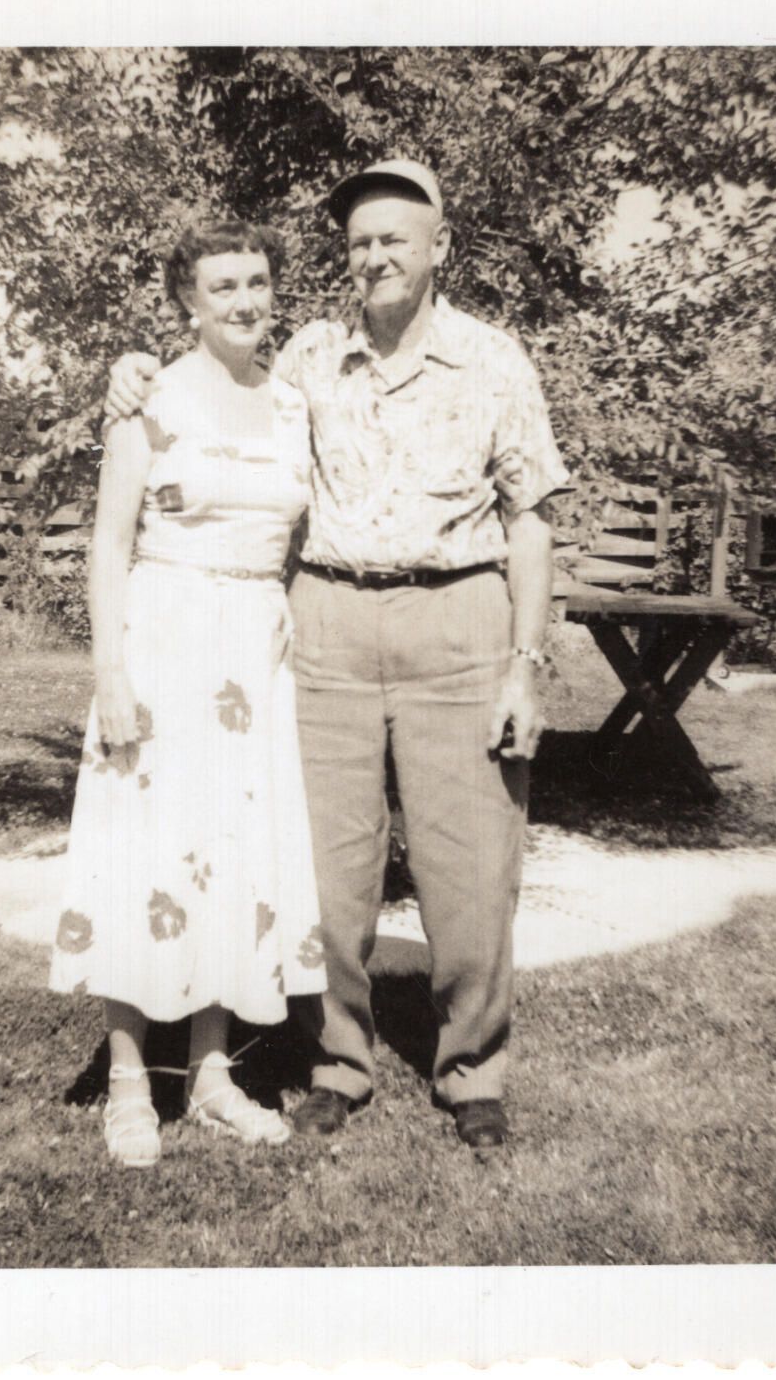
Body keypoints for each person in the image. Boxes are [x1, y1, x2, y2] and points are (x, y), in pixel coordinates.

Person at [105, 161, 570, 1151]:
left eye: (395, 236)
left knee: (471, 861)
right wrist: (131, 369)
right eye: (360, 241)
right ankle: (337, 1062)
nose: (375, 255)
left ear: (441, 246)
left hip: (459, 617)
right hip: (327, 621)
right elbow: (213, 380)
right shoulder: (308, 358)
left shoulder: (495, 361)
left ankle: (471, 1069)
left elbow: (530, 519)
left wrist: (525, 663)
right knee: (327, 864)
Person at [50, 219, 326, 1168]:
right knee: (145, 848)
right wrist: (109, 673)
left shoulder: (291, 405)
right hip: (164, 641)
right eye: (223, 287)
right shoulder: (149, 399)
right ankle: (130, 1079)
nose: (245, 301)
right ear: (187, 303)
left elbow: (296, 531)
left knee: (232, 850)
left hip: (253, 652)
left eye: (257, 281)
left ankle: (211, 1074)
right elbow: (107, 543)